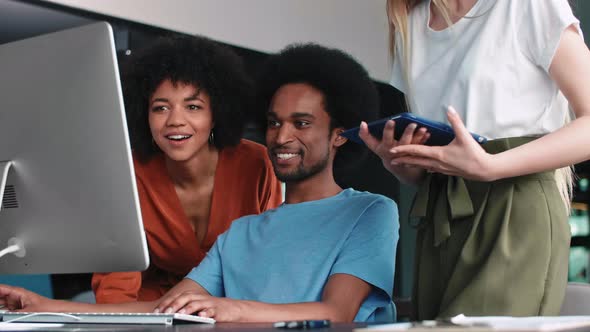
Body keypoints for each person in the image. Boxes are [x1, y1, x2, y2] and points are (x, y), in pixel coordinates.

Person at [0, 43, 399, 323]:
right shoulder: (240, 233)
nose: (280, 136)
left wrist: (232, 307)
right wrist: (45, 305)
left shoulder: (370, 212)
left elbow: (337, 314)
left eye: (302, 123)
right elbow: (164, 308)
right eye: (274, 123)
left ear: (339, 134)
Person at [359, 0, 590, 319]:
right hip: (440, 218)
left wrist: (492, 166)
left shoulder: (527, 5)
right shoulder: (410, 22)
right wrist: (405, 165)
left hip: (514, 209)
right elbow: (439, 160)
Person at [91, 35, 283, 304]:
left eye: (193, 107)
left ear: (216, 114)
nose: (175, 121)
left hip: (235, 305)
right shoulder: (129, 174)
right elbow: (116, 286)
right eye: (160, 108)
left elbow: (268, 262)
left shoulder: (256, 164)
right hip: (159, 305)